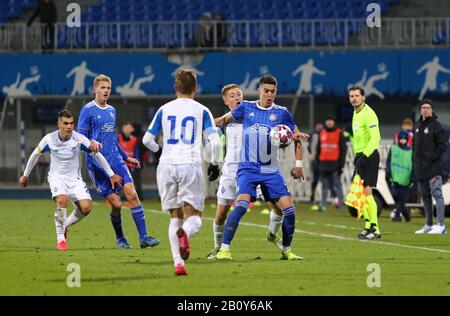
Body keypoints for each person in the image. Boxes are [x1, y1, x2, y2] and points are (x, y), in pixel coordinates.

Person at [213, 75, 305, 261]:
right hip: (247, 169)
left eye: (273, 92)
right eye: (266, 91)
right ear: (259, 90)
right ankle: (224, 249)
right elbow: (222, 120)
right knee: (241, 206)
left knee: (289, 210)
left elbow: (297, 138)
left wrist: (298, 165)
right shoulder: (246, 107)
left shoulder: (282, 113)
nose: (269, 95)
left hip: (271, 171)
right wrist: (202, 127)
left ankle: (286, 250)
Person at [142, 69, 221, 276]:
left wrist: (160, 151)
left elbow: (146, 140)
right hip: (189, 164)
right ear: (195, 88)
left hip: (167, 165)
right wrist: (214, 163)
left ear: (175, 88)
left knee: (174, 216)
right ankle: (185, 233)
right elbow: (214, 140)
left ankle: (178, 262)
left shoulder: (164, 109)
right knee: (195, 215)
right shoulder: (202, 110)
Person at [19, 110, 122, 251]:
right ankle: (61, 239)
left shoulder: (79, 138)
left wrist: (111, 175)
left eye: (71, 123)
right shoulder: (49, 139)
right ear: (59, 124)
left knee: (86, 208)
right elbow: (35, 155)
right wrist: (25, 175)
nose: (69, 126)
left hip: (75, 179)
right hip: (57, 177)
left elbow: (97, 155)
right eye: (65, 123)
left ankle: (65, 224)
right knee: (62, 200)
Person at [78, 75, 160, 249]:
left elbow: (113, 138)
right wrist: (90, 144)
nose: (106, 90)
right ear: (95, 89)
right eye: (102, 87)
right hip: (97, 164)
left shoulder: (111, 110)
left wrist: (125, 157)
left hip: (116, 160)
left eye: (108, 87)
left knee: (131, 193)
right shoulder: (87, 110)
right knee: (116, 203)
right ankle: (120, 237)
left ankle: (144, 237)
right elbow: (79, 139)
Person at [205, 84, 285, 260]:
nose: (236, 97)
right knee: (220, 215)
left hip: (255, 170)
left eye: (239, 94)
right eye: (232, 96)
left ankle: (272, 234)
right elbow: (214, 136)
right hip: (231, 171)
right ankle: (218, 248)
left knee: (279, 209)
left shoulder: (253, 111)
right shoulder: (226, 121)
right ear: (226, 101)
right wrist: (215, 164)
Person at [349, 86, 381, 240]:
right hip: (360, 155)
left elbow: (375, 139)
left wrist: (365, 156)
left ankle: (376, 229)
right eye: (351, 96)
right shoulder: (356, 113)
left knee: (368, 192)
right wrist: (358, 156)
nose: (354, 98)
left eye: (356, 96)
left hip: (370, 156)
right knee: (361, 193)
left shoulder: (369, 114)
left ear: (363, 97)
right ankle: (368, 226)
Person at [413, 100, 447, 234]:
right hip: (420, 168)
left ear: (432, 110)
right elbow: (414, 146)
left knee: (437, 194)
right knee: (426, 196)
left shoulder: (437, 126)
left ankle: (441, 225)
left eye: (428, 107)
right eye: (423, 107)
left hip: (433, 167)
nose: (425, 110)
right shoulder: (416, 125)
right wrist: (414, 161)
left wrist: (431, 158)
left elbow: (443, 145)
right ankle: (429, 224)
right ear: (420, 110)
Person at [315, 116, 347, 212]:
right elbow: (318, 149)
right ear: (326, 122)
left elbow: (343, 150)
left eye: (331, 121)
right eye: (328, 121)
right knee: (324, 186)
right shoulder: (322, 133)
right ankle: (323, 205)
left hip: (335, 164)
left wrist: (341, 165)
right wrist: (318, 163)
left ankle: (341, 205)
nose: (329, 122)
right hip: (323, 164)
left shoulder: (339, 133)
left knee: (337, 186)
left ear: (333, 122)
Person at [386, 131, 415, 222]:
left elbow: (414, 166)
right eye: (401, 139)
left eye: (404, 139)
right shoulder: (393, 149)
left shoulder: (411, 151)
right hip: (394, 178)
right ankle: (407, 216)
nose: (402, 141)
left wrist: (413, 179)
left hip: (406, 180)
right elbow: (388, 161)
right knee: (397, 199)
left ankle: (396, 215)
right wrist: (388, 173)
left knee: (402, 200)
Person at [117, 122, 143, 201]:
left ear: (132, 129)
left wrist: (136, 161)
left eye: (129, 128)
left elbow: (136, 152)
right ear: (122, 129)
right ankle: (115, 198)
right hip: (119, 165)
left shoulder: (135, 140)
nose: (127, 130)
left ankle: (128, 199)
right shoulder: (118, 138)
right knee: (118, 183)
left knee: (130, 184)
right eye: (126, 128)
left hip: (130, 166)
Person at [308, 122, 323, 204]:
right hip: (316, 160)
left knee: (322, 180)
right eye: (318, 127)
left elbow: (309, 147)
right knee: (315, 179)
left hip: (322, 160)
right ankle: (313, 196)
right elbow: (310, 147)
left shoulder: (322, 135)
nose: (319, 128)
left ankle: (320, 198)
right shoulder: (314, 135)